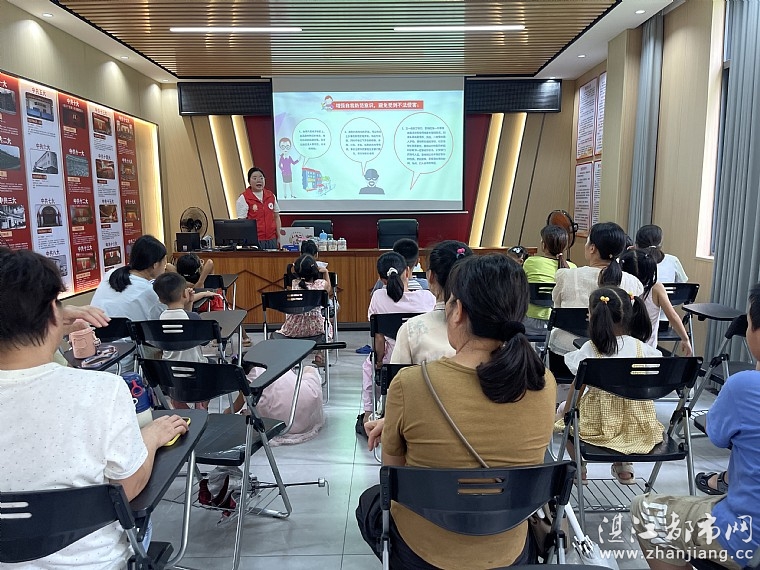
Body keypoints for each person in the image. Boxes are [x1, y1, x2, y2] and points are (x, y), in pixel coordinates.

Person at [356, 253, 557, 569]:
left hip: (423, 552)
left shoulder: (410, 384)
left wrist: (400, 424)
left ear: (458, 311)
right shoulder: (542, 382)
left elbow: (394, 480)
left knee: (369, 501)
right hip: (509, 551)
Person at [0, 247, 187, 568]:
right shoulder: (103, 390)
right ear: (53, 311)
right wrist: (153, 437)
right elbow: (128, 487)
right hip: (93, 560)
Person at [631, 283, 760, 570]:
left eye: (750, 323)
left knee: (644, 509)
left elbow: (717, 435)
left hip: (747, 540)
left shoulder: (744, 387)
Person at [364, 240, 473, 446]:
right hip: (472, 431)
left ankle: (368, 412)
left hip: (422, 434)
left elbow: (396, 394)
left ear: (430, 276)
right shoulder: (490, 333)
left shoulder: (411, 330)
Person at [559, 286, 662, 484]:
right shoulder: (641, 348)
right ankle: (624, 467)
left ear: (593, 316)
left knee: (564, 420)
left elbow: (576, 387)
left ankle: (579, 469)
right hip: (638, 428)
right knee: (624, 412)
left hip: (598, 426)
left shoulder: (590, 349)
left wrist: (566, 413)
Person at [358, 252, 436, 432]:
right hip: (423, 361)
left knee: (369, 367)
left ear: (381, 279)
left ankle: (369, 413)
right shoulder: (427, 297)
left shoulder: (378, 297)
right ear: (408, 272)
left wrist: (379, 362)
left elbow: (379, 339)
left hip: (392, 362)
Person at [549, 222, 644, 355]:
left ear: (592, 248)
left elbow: (557, 310)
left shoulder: (566, 276)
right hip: (617, 350)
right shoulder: (634, 283)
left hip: (570, 348)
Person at [619, 248, 693, 355]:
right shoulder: (656, 288)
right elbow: (672, 316)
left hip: (622, 352)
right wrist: (685, 338)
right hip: (648, 353)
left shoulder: (620, 287)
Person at [152, 272, 209, 410]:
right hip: (195, 370)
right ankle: (201, 405)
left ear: (160, 299)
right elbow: (204, 341)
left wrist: (188, 303)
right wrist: (190, 302)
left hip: (170, 373)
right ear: (184, 293)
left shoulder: (159, 319)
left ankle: (180, 404)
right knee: (211, 366)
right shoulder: (193, 318)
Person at [91, 234, 167, 321]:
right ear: (155, 265)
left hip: (93, 327)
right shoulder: (150, 292)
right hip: (125, 330)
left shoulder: (111, 274)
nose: (165, 265)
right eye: (164, 260)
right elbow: (163, 318)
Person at [522, 225, 577, 330]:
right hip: (558, 323)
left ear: (544, 245)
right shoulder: (572, 268)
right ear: (565, 247)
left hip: (530, 321)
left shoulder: (531, 262)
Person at [278, 253, 333, 340]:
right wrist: (326, 272)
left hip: (293, 329)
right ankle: (323, 347)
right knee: (328, 325)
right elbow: (328, 289)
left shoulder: (295, 283)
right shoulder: (321, 284)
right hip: (316, 328)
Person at [235, 167, 282, 249]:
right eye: (255, 178)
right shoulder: (244, 198)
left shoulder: (271, 196)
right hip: (253, 240)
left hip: (271, 239)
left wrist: (279, 236)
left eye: (261, 178)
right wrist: (246, 241)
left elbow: (276, 217)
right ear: (249, 181)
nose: (259, 180)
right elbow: (242, 222)